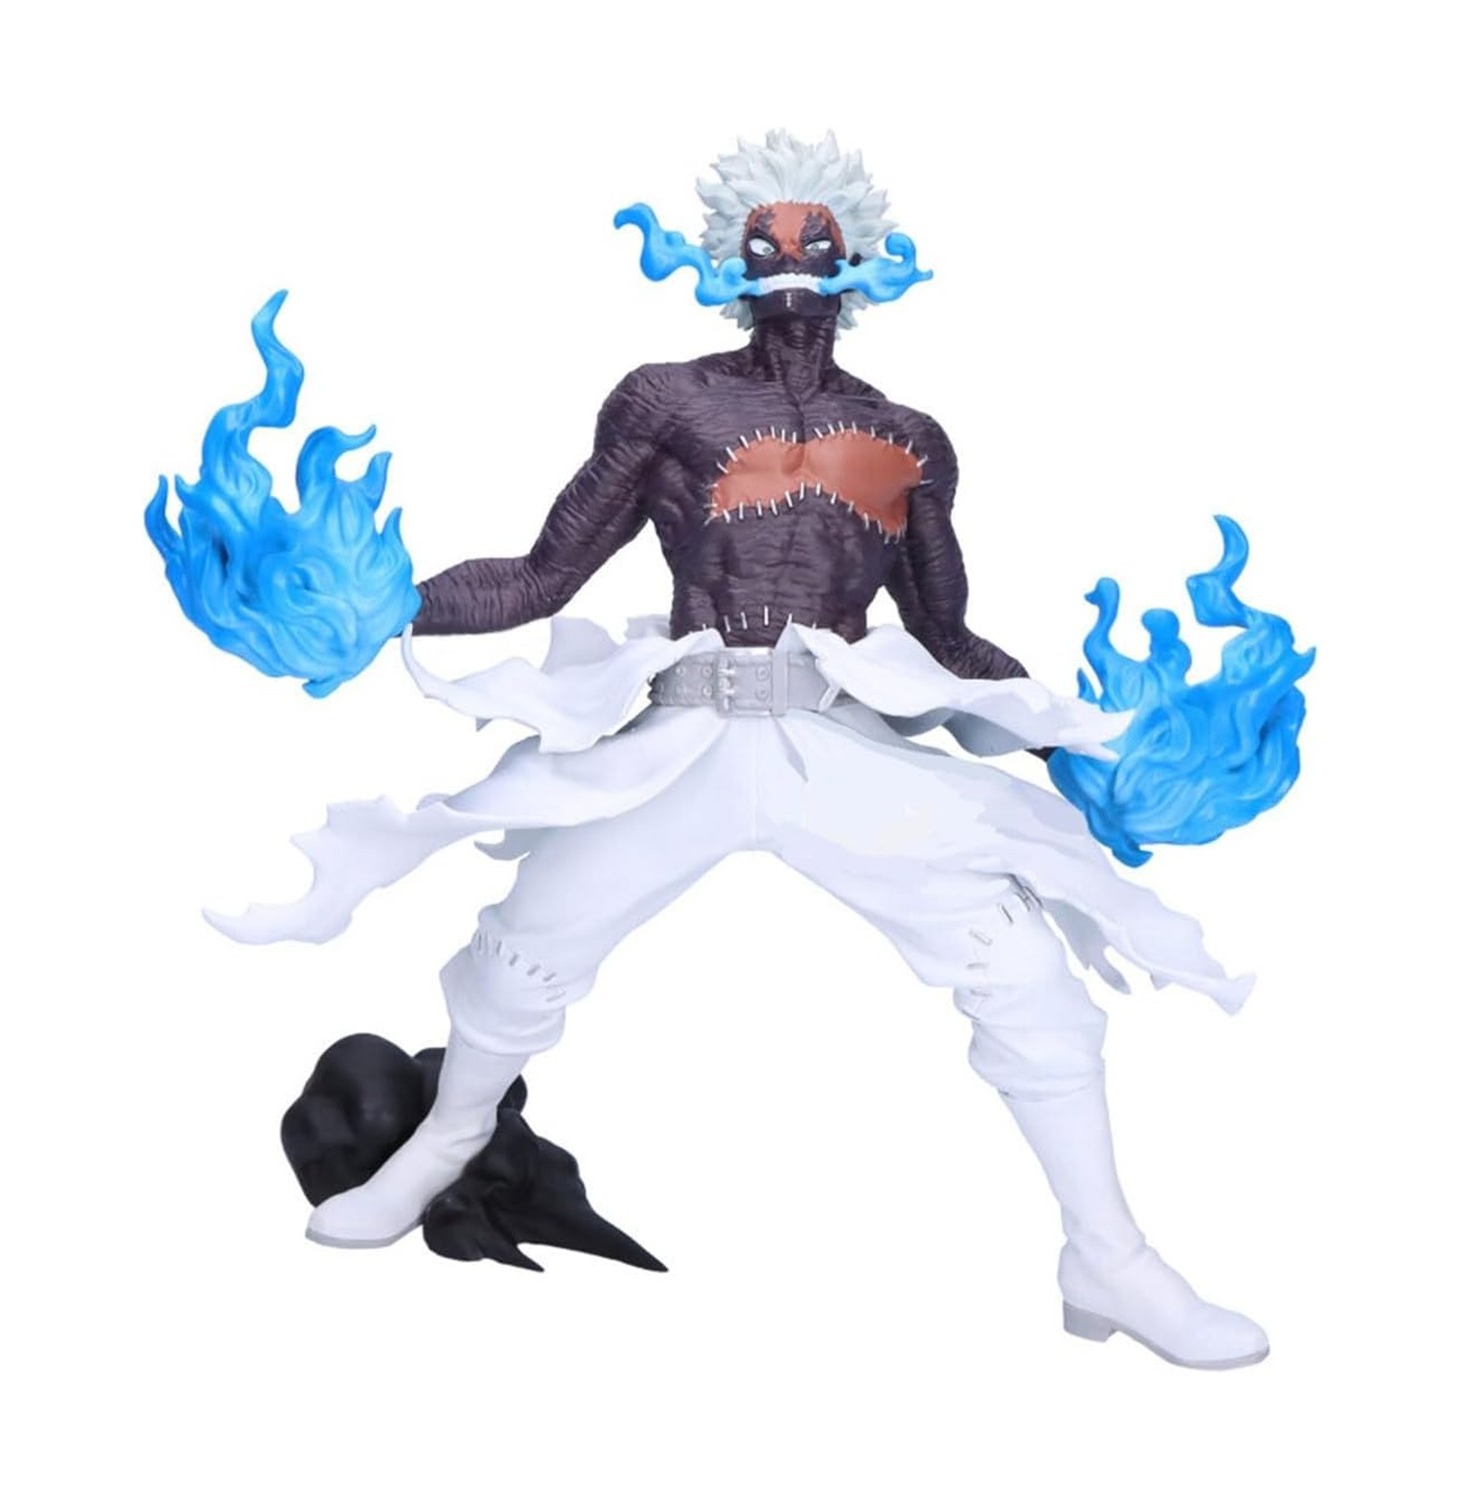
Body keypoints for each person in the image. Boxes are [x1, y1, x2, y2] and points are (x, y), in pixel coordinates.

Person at [218, 130, 1268, 1370]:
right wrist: (388, 606)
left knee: (1024, 971)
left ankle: (1108, 1257)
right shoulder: (668, 401)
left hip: (840, 745)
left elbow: (946, 635)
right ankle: (446, 1142)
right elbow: (545, 573)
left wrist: (1082, 741)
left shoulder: (909, 437)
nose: (791, 262)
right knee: (524, 952)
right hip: (686, 736)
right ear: (726, 261)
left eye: (817, 241)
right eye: (765, 243)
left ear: (860, 261)